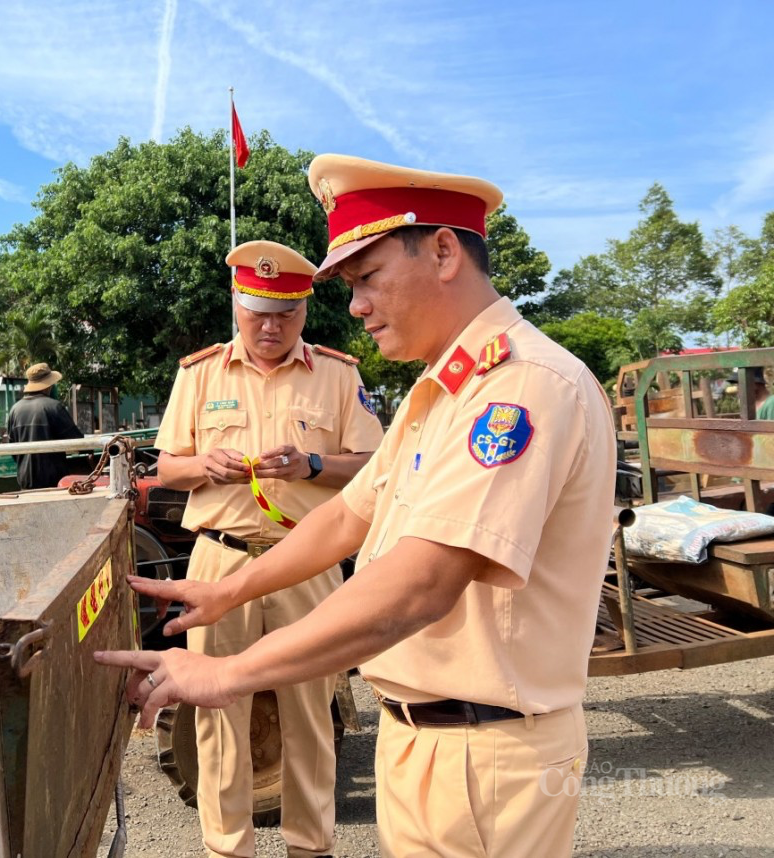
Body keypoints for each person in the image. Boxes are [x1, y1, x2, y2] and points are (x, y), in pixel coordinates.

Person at [98, 156, 617, 858]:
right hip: (428, 739)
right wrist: (226, 592)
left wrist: (227, 672)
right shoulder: (443, 392)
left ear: (442, 252)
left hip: (487, 749)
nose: (357, 306)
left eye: (368, 278)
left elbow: (420, 584)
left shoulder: (518, 387)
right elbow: (347, 517)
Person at [151, 239, 383, 858]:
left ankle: (310, 846)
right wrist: (204, 463)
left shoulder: (338, 373)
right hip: (219, 557)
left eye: (285, 313)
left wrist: (311, 464)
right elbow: (168, 465)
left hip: (306, 559)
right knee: (216, 707)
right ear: (237, 306)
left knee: (310, 708)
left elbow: (372, 465)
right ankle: (227, 849)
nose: (270, 326)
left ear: (305, 312)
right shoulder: (199, 374)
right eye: (257, 312)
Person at [6, 362, 84, 489]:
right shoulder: (54, 407)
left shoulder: (15, 409)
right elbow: (79, 443)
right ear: (48, 386)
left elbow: (13, 448)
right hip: (54, 480)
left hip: (26, 480)